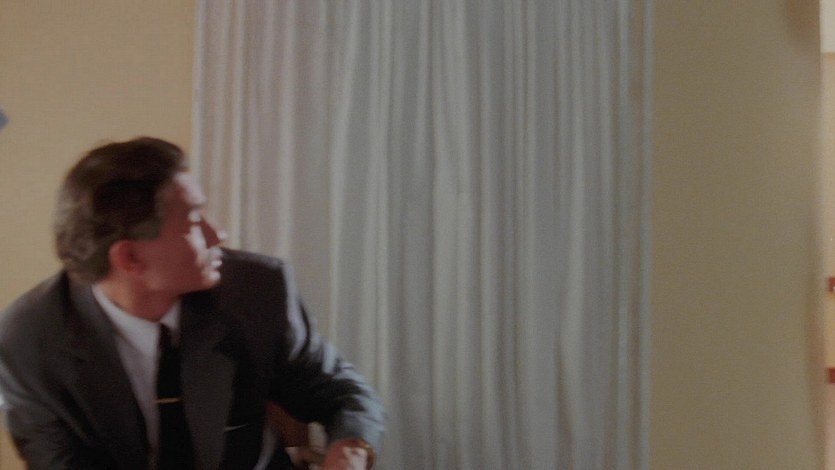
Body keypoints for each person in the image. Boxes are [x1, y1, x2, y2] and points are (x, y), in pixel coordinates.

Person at [0, 137, 384, 469]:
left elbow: (339, 392)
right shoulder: (28, 344)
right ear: (129, 258)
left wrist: (351, 448)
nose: (218, 234)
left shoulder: (256, 292)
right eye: (195, 220)